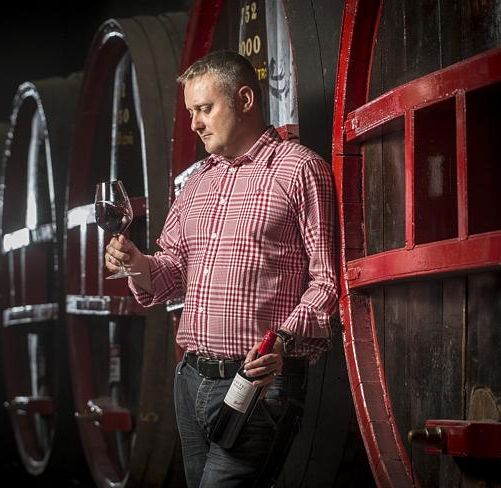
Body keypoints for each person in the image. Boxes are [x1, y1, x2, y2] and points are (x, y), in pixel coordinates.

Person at [104, 50, 338, 487]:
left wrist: (282, 341)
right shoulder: (198, 181)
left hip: (257, 386)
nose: (194, 123)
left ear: (244, 99)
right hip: (191, 381)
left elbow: (327, 282)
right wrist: (136, 264)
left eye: (204, 108)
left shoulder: (300, 170)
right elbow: (171, 271)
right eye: (191, 111)